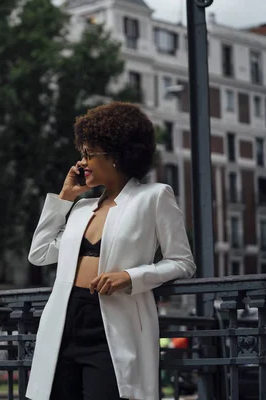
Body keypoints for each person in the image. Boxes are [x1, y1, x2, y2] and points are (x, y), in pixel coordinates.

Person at [25, 102, 196, 400]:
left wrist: (131, 277)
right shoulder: (81, 207)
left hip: (113, 326)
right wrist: (63, 198)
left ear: (117, 156)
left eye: (90, 153)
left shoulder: (154, 197)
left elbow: (182, 262)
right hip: (63, 323)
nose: (82, 162)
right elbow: (39, 254)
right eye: (82, 153)